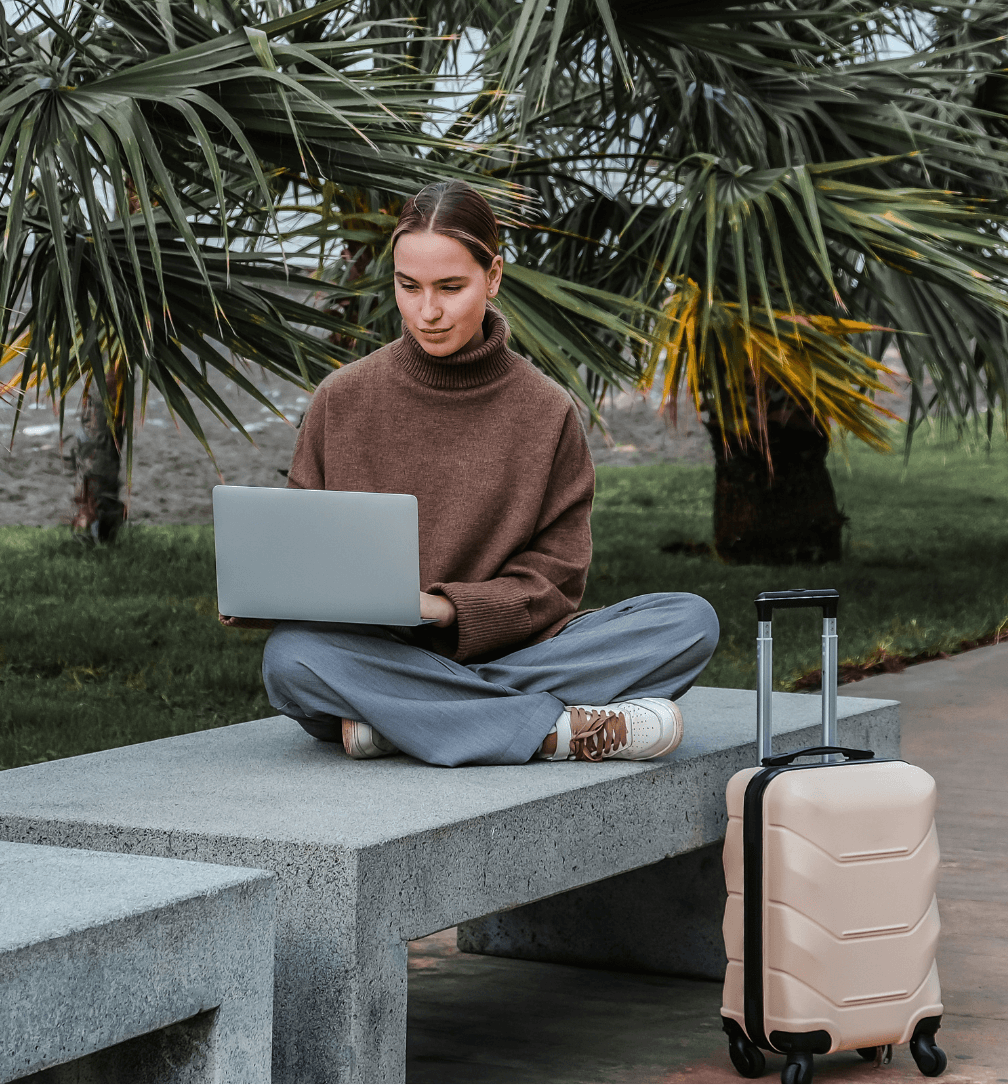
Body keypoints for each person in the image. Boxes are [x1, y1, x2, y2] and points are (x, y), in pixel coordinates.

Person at [225, 180, 719, 767]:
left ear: (495, 276)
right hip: (380, 652)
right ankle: (552, 732)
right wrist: (265, 592)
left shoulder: (546, 410)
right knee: (292, 659)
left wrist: (447, 609)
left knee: (689, 622)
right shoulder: (343, 399)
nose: (427, 312)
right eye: (408, 287)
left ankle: (403, 720)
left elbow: (555, 584)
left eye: (450, 288)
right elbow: (305, 556)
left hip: (518, 649)